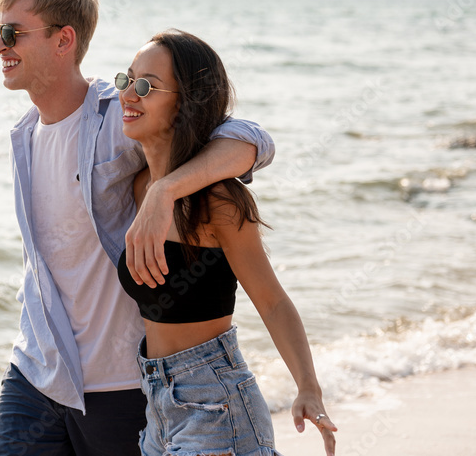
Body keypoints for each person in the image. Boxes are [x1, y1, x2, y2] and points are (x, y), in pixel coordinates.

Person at [0, 0, 275, 456]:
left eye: (11, 33)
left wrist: (165, 193)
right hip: (38, 372)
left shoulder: (119, 115)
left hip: (120, 384)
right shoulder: (23, 135)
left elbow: (252, 140)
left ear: (64, 39)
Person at [115, 29, 337, 456]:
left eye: (146, 86)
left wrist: (309, 387)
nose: (129, 95)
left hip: (215, 402)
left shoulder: (217, 200)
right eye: (126, 80)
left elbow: (271, 301)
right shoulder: (139, 186)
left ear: (185, 104)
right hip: (156, 406)